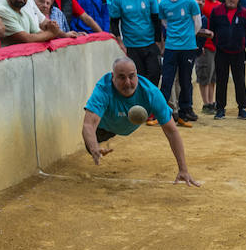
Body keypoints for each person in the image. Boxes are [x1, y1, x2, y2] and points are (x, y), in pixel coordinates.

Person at [82, 56, 199, 186]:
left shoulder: (151, 93)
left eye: (132, 76)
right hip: (104, 128)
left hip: (125, 126)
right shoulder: (104, 88)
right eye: (121, 77)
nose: (127, 82)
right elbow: (88, 124)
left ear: (137, 75)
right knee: (89, 146)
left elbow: (171, 131)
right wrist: (94, 148)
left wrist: (183, 169)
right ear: (112, 77)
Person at [158, 0, 204, 124]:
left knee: (185, 80)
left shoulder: (190, 2)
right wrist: (175, 36)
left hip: (188, 47)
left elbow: (198, 24)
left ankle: (186, 109)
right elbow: (165, 22)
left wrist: (188, 36)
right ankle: (164, 110)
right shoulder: (163, 4)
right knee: (167, 79)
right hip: (171, 47)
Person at [210, 0, 246, 119]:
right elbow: (212, 30)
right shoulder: (216, 12)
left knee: (240, 80)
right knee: (221, 80)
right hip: (221, 52)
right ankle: (220, 108)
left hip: (239, 52)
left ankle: (242, 108)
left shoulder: (245, 13)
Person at [196, 0, 221, 114]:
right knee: (204, 75)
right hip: (205, 46)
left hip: (216, 46)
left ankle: (211, 102)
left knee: (213, 77)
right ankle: (206, 103)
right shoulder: (201, 5)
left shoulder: (219, 5)